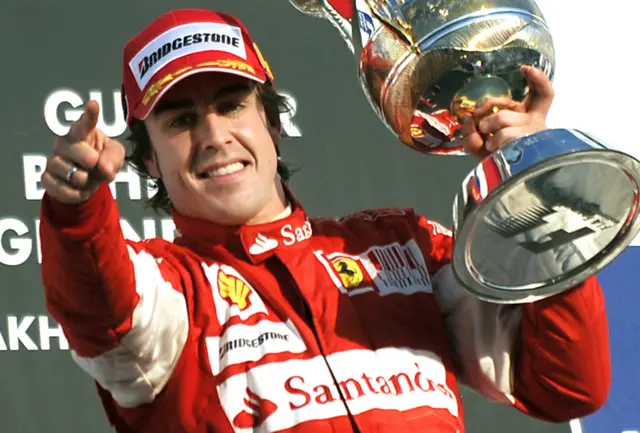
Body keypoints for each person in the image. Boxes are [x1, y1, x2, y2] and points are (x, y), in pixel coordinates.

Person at [38, 8, 611, 433]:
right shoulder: (168, 289)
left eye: (233, 104)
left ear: (273, 123)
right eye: (181, 120)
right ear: (147, 160)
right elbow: (101, 308)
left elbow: (566, 385)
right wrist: (76, 210)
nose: (214, 138)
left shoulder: (402, 245)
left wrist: (531, 182)